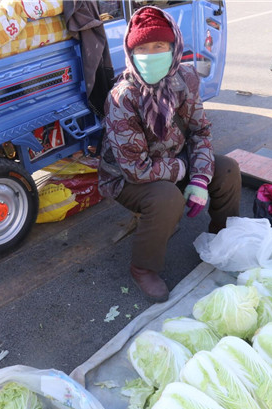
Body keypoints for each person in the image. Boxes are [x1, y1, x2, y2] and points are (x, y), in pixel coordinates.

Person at [98, 6, 241, 302]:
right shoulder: (123, 97)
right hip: (128, 177)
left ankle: (221, 236)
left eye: (159, 46)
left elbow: (200, 131)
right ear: (131, 52)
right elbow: (135, 168)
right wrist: (183, 171)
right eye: (142, 48)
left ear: (173, 47)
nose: (150, 55)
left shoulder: (185, 79)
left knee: (227, 170)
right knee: (166, 198)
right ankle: (143, 267)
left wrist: (200, 179)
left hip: (174, 160)